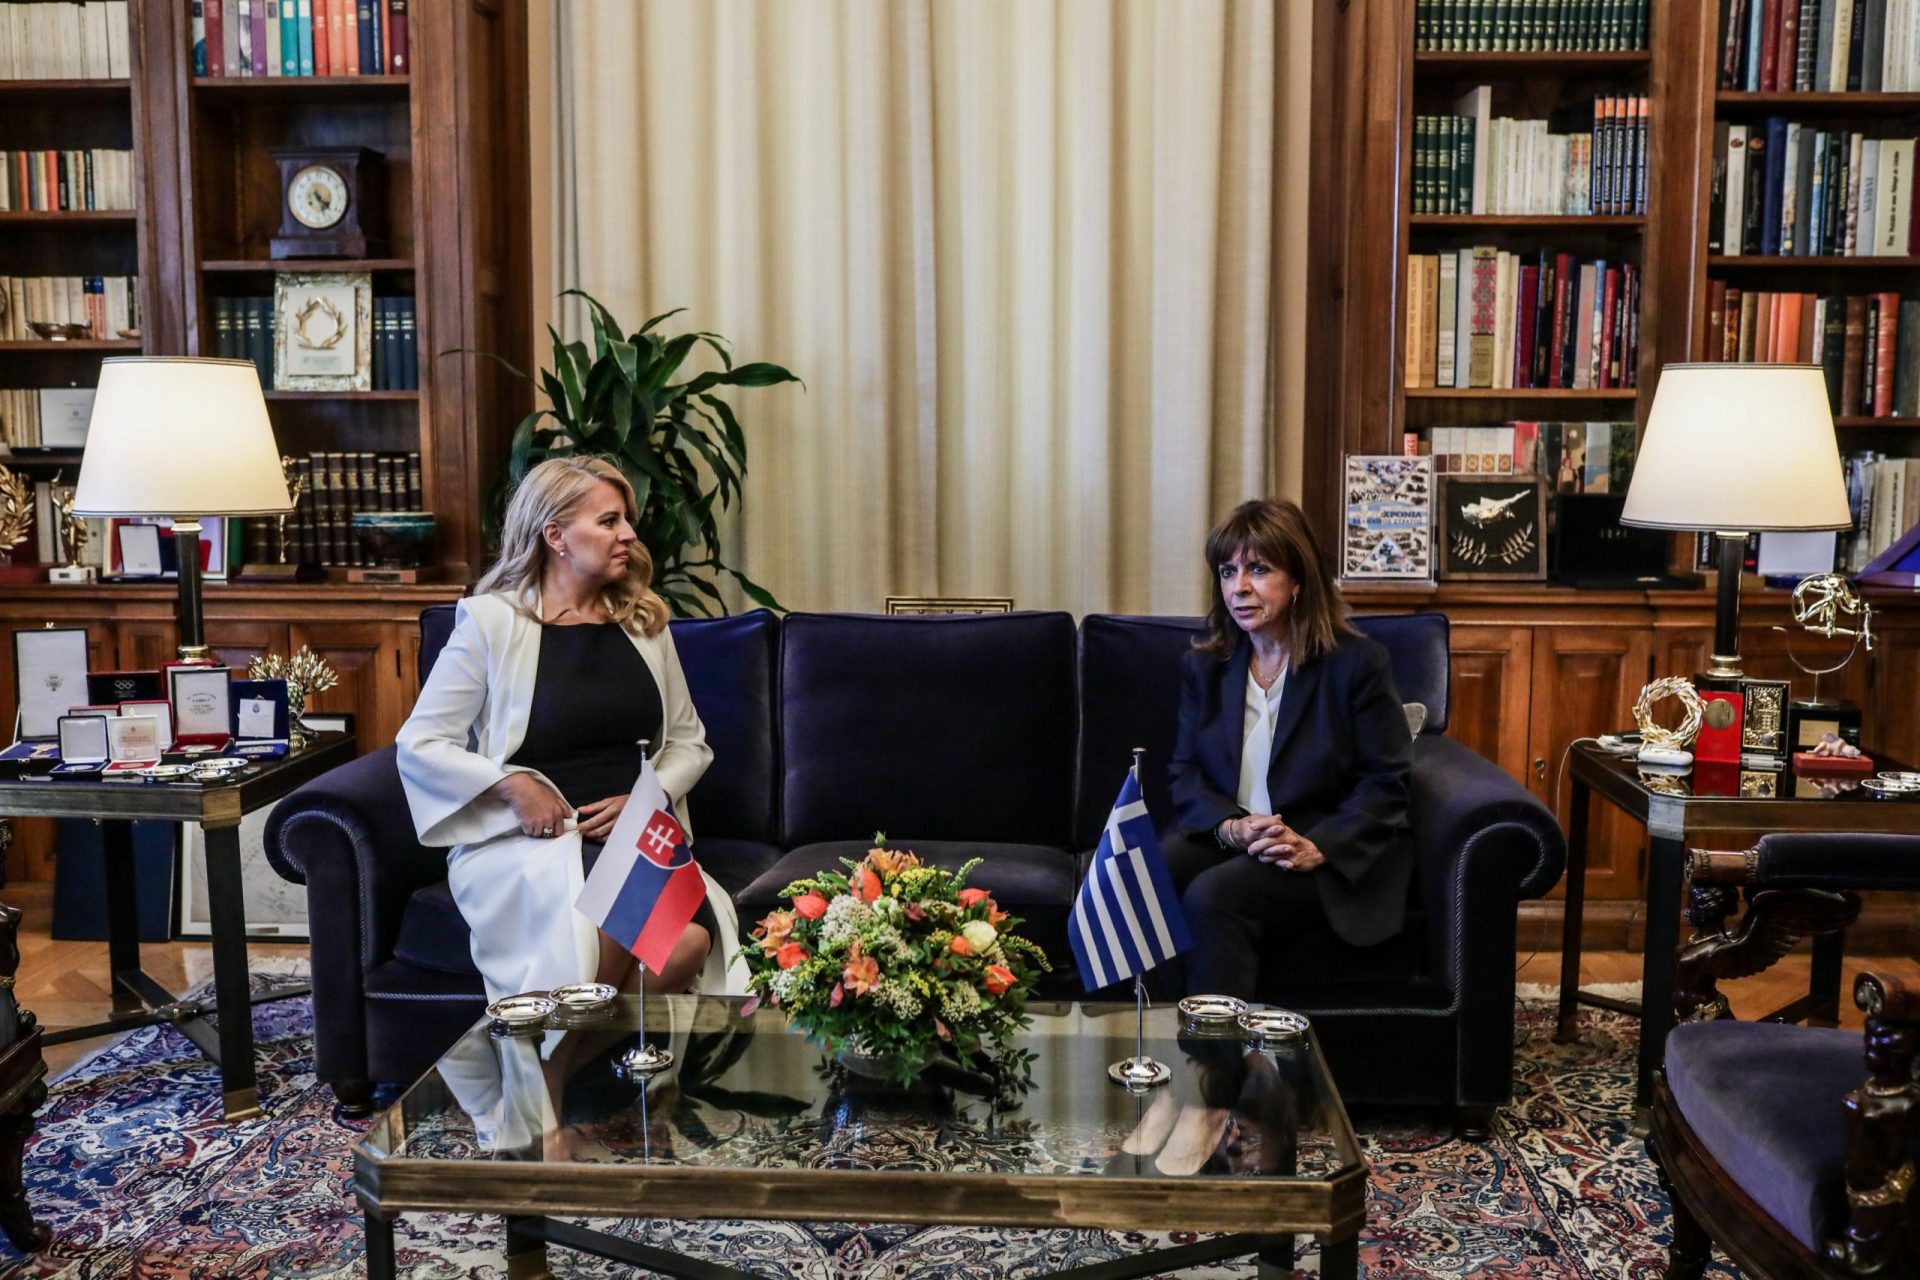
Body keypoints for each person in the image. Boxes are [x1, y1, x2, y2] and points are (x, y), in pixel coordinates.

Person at [397, 456, 742, 1005]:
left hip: (636, 839)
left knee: (691, 944)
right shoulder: (491, 624)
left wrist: (647, 798)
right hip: (532, 845)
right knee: (624, 923)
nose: (629, 534)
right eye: (608, 521)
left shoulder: (643, 622)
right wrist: (511, 785)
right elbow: (421, 743)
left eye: (626, 520)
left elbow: (687, 742)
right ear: (555, 535)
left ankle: (543, 1052)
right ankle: (564, 1060)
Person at [1166, 498, 1413, 999]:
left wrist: (1318, 846)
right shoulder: (1207, 667)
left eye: (1259, 569)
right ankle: (1144, 1035)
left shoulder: (1356, 664)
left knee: (1215, 896)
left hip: (1317, 847)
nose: (1239, 587)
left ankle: (1219, 1049)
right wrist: (1231, 828)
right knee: (1143, 878)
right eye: (1228, 571)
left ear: (1298, 579)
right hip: (1237, 836)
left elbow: (1385, 782)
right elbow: (1185, 772)